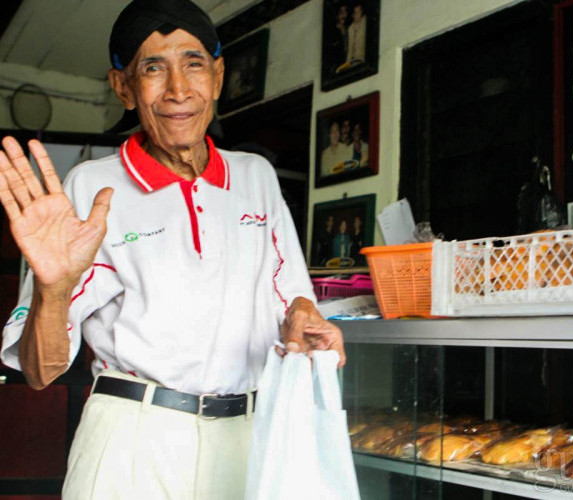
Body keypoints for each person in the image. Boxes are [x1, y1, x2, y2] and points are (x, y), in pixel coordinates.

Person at [0, 1, 345, 499]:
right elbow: (39, 371)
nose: (179, 90)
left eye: (194, 63)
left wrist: (304, 320)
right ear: (123, 87)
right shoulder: (92, 187)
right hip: (133, 440)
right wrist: (53, 290)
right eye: (153, 68)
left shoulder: (254, 177)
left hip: (247, 434)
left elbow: (291, 296)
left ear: (219, 75)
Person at [327, 3, 349, 74]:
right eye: (341, 12)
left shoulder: (348, 29)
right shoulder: (333, 31)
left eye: (345, 12)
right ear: (337, 16)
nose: (343, 15)